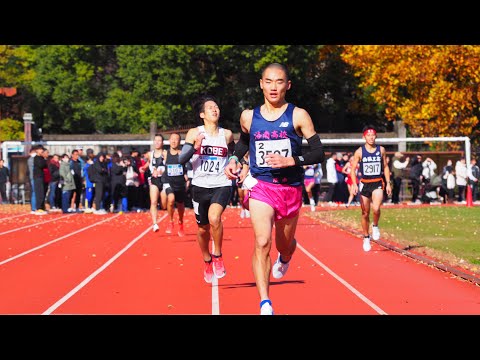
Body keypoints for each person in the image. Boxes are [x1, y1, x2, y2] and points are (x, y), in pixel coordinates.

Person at [224, 63, 325, 315]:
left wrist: (293, 159)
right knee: (261, 241)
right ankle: (265, 302)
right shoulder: (249, 116)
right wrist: (234, 159)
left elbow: (318, 152)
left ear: (287, 86)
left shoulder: (298, 115)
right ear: (261, 84)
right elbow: (244, 142)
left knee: (284, 244)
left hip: (290, 189)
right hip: (261, 187)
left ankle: (287, 255)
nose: (273, 87)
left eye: (279, 82)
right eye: (268, 81)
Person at [179, 95, 235, 284]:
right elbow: (181, 159)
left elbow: (236, 155)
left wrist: (237, 165)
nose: (214, 109)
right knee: (202, 229)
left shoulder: (226, 135)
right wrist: (195, 147)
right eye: (210, 107)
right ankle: (207, 259)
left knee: (214, 218)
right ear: (202, 114)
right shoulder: (194, 133)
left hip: (221, 184)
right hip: (200, 186)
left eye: (216, 106)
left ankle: (217, 255)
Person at [350, 125, 392, 252]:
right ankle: (366, 237)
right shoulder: (359, 152)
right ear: (364, 137)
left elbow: (385, 166)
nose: (371, 137)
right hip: (364, 184)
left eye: (373, 135)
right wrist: (354, 184)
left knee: (376, 208)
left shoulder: (381, 150)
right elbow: (352, 170)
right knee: (364, 213)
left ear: (376, 136)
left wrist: (388, 183)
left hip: (377, 182)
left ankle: (375, 225)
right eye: (368, 135)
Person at [161, 132, 188, 237]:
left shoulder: (182, 153)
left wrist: (187, 177)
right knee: (171, 200)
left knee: (180, 205)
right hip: (168, 181)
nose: (173, 141)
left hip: (180, 183)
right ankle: (171, 221)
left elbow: (188, 166)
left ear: (179, 141)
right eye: (171, 139)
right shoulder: (165, 153)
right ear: (169, 141)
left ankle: (180, 222)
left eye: (176, 139)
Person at [147, 133, 167, 232]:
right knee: (153, 202)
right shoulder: (150, 154)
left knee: (164, 205)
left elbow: (169, 165)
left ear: (162, 142)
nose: (157, 142)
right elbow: (149, 164)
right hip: (154, 179)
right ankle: (155, 223)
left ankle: (163, 206)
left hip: (164, 179)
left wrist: (162, 171)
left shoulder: (165, 153)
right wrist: (144, 168)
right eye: (156, 140)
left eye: (159, 140)